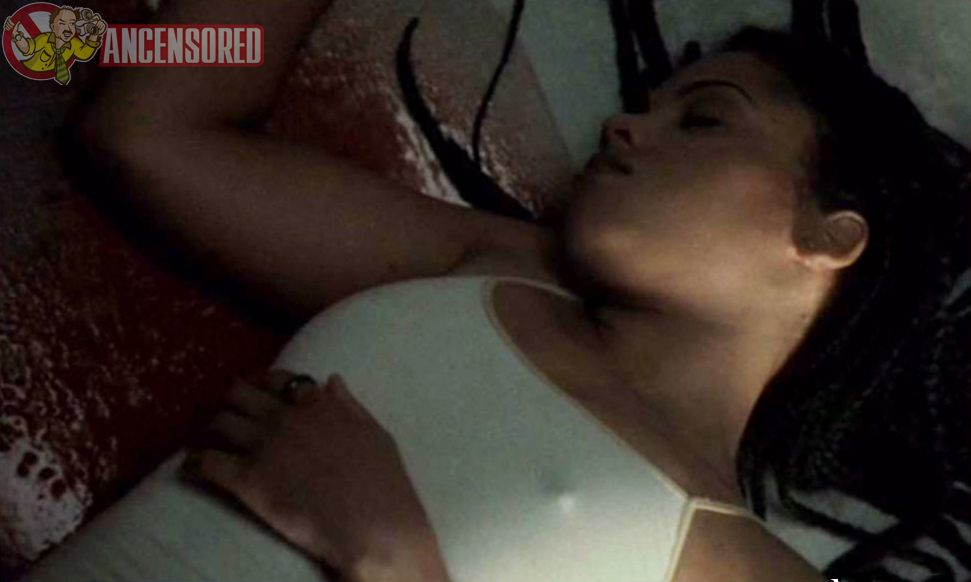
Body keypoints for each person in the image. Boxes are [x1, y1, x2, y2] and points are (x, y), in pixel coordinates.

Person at [51, 0, 968, 581]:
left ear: (827, 236)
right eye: (643, 106)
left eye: (703, 121)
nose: (622, 127)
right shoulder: (495, 270)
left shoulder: (745, 569)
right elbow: (146, 132)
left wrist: (396, 562)